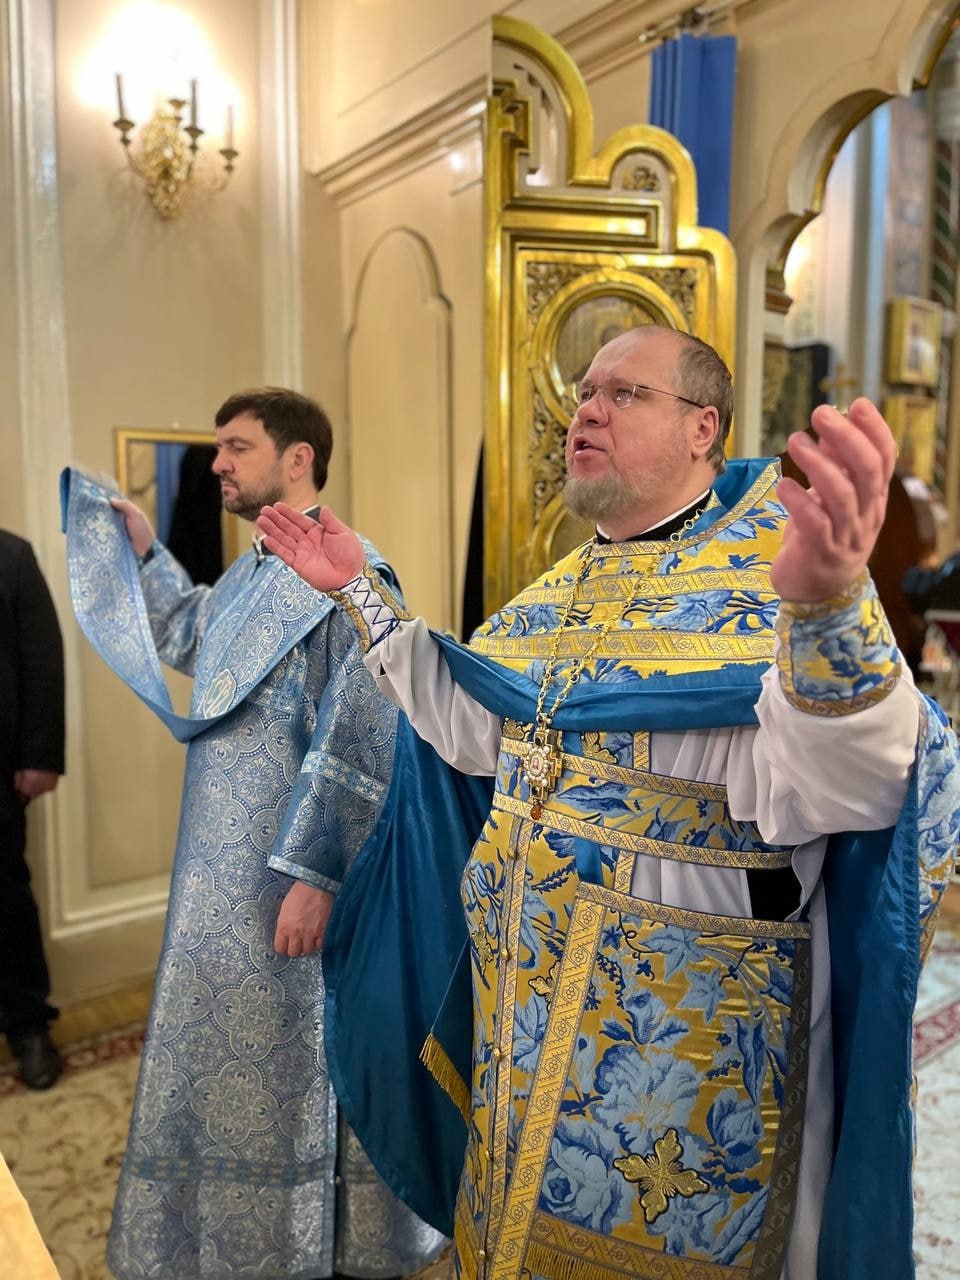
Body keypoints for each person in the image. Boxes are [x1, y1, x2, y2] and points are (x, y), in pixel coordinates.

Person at [258, 327, 960, 1280]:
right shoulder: (563, 588)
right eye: (584, 393)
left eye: (623, 394)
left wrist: (831, 607)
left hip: (683, 1026)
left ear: (703, 427)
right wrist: (364, 597)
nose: (585, 411)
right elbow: (475, 733)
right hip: (523, 1005)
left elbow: (860, 787)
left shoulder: (784, 582)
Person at [62, 388, 443, 1279]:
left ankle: (323, 1248)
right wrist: (146, 554)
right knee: (228, 1063)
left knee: (298, 1058)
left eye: (236, 447)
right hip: (218, 875)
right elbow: (190, 631)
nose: (217, 465)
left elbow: (368, 727)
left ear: (298, 458)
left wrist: (319, 872)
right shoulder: (250, 573)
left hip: (285, 876)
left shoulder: (354, 574)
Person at [0, 529, 65, 1090]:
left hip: (0, 769)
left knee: (6, 898)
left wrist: (39, 757)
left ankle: (27, 1024)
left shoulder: (11, 555)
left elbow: (42, 660)